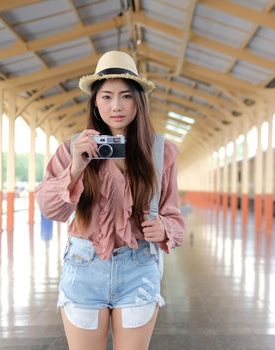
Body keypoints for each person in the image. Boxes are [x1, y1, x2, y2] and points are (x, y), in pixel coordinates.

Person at [35, 51, 185, 350]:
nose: (116, 106)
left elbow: (173, 213)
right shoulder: (72, 149)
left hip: (139, 266)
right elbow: (50, 208)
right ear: (95, 102)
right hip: (84, 266)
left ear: (139, 101)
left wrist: (164, 229)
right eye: (106, 96)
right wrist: (77, 167)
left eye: (126, 96)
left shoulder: (160, 152)